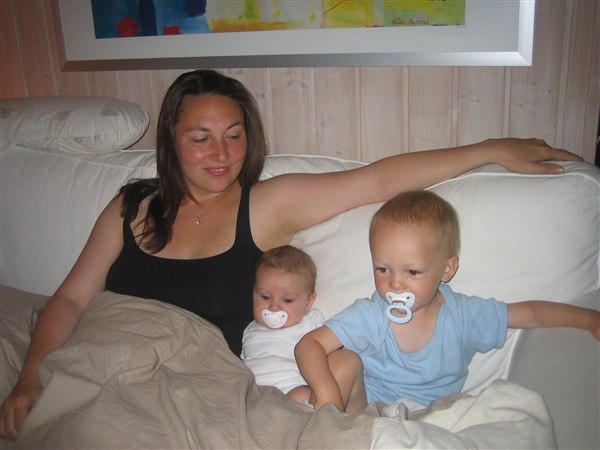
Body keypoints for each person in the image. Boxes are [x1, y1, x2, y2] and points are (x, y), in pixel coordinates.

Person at [0, 69, 582, 440]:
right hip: (100, 352)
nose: (221, 153)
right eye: (200, 138)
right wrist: (29, 378)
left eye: (234, 134)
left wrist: (489, 149)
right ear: (171, 142)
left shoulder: (265, 205)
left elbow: (378, 180)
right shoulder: (132, 206)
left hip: (189, 382)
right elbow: (71, 299)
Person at [295, 190, 600, 412]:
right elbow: (309, 345)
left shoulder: (462, 316)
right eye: (382, 269)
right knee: (341, 362)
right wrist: (328, 393)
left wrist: (589, 319)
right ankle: (322, 427)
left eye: (413, 272)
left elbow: (530, 314)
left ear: (447, 269)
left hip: (432, 418)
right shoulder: (371, 314)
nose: (395, 284)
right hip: (366, 413)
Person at [241, 245, 324, 405]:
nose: (273, 307)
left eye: (287, 300)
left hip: (290, 390)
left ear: (308, 303)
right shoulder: (250, 329)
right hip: (254, 394)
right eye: (265, 297)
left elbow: (328, 351)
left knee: (305, 394)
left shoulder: (310, 322)